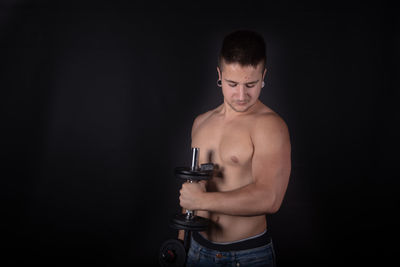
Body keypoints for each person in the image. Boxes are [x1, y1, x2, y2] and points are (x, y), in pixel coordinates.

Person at [178, 29, 291, 266]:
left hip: (247, 255)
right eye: (232, 83)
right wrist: (181, 243)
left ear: (264, 75)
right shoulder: (201, 122)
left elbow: (270, 198)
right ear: (219, 74)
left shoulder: (270, 126)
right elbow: (193, 190)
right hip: (196, 249)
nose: (241, 95)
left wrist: (201, 201)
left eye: (251, 84)